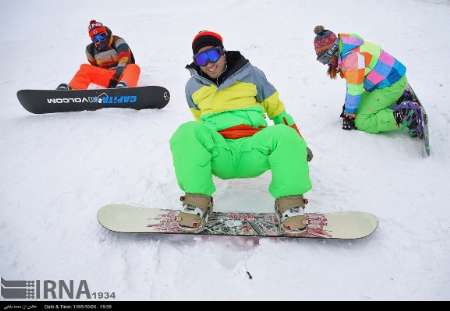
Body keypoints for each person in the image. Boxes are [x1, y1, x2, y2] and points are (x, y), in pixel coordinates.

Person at [170, 30, 313, 235]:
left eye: (212, 55)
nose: (209, 63)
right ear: (196, 62)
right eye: (202, 59)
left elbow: (277, 111)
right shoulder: (192, 87)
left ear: (223, 53)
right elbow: (199, 122)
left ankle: (290, 205)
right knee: (187, 132)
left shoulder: (252, 74)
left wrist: (298, 143)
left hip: (255, 147)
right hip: (220, 151)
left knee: (284, 133)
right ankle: (197, 202)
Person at [313, 25, 423, 137]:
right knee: (357, 110)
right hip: (392, 79)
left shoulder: (352, 58)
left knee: (362, 121)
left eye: (325, 59)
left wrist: (349, 113)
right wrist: (349, 109)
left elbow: (355, 89)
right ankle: (400, 97)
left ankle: (407, 116)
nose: (326, 63)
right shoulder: (349, 46)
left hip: (391, 86)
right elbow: (352, 84)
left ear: (333, 50)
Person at [57, 20, 140, 90]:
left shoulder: (117, 41)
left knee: (134, 67)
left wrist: (118, 74)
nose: (99, 40)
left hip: (123, 75)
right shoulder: (90, 50)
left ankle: (125, 88)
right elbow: (94, 68)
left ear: (106, 34)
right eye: (96, 39)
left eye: (102, 36)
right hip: (108, 77)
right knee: (84, 68)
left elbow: (125, 56)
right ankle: (72, 91)